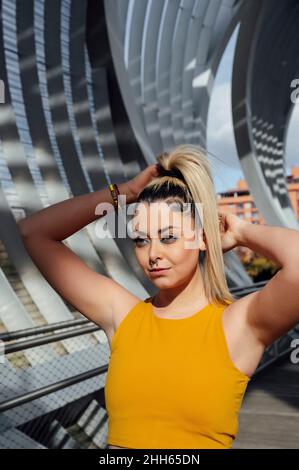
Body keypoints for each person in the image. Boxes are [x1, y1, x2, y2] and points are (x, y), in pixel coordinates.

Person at [18, 144, 299, 449]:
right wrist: (124, 192)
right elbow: (34, 231)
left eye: (168, 237)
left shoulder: (237, 325)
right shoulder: (123, 316)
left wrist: (242, 230)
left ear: (202, 239)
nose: (153, 254)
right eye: (141, 240)